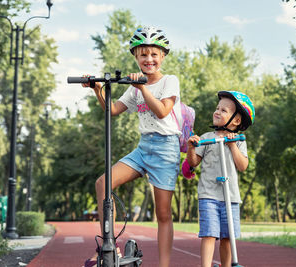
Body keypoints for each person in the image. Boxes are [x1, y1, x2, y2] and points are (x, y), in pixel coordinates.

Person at [83, 26, 181, 267]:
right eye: (143, 55)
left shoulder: (169, 81)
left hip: (166, 148)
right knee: (103, 183)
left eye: (154, 54)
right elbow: (112, 109)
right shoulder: (133, 85)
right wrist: (98, 89)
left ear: (163, 56)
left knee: (163, 214)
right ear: (135, 57)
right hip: (143, 147)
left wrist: (143, 88)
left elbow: (162, 111)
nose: (149, 59)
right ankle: (110, 248)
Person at [186, 91, 255, 267]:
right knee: (209, 234)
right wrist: (191, 148)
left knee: (227, 236)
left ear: (237, 121)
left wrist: (232, 145)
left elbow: (243, 166)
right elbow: (194, 162)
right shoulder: (206, 138)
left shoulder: (239, 141)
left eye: (224, 110)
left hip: (230, 197)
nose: (217, 112)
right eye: (217, 108)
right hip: (208, 194)